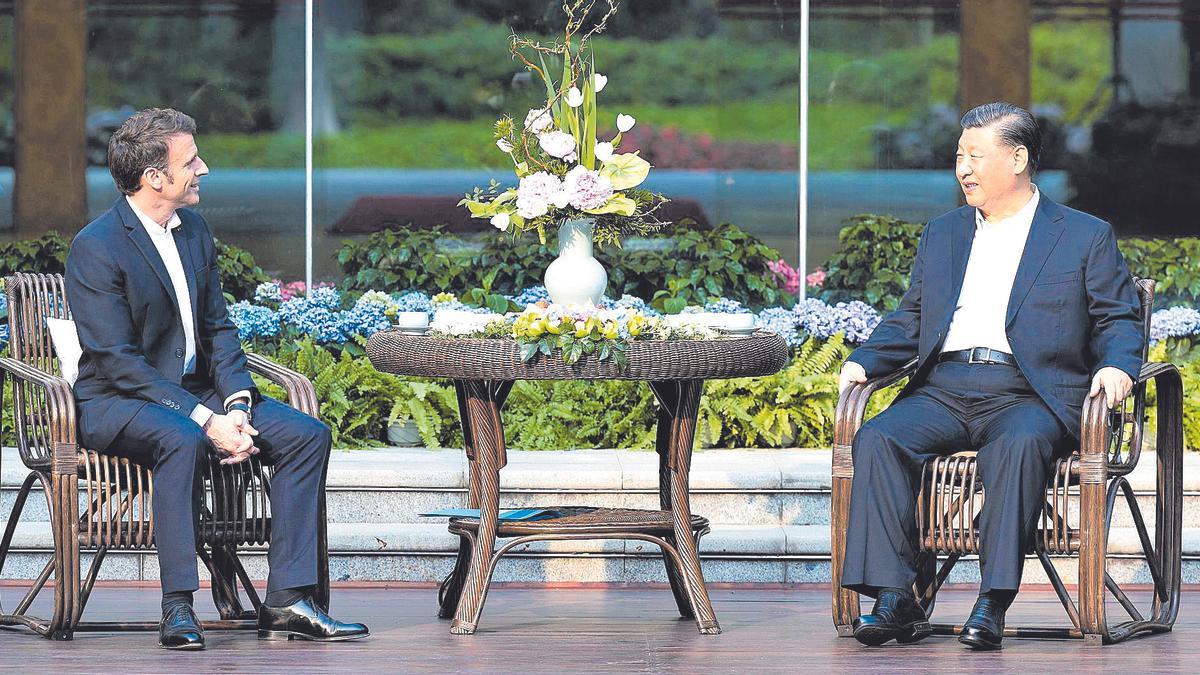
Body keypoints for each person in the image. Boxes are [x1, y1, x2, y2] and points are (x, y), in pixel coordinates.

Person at [837, 102, 1143, 650]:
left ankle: (992, 599)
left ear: (1018, 158)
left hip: (1030, 393)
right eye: (959, 156)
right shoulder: (943, 233)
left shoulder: (1082, 235)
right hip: (946, 388)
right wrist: (866, 360)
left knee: (1020, 444)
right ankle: (894, 594)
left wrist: (1119, 366)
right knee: (878, 437)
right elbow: (911, 316)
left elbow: (1117, 317)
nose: (963, 168)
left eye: (975, 156)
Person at [65, 108, 368, 650]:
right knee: (180, 437)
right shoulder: (97, 245)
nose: (203, 167)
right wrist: (205, 420)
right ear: (155, 177)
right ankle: (178, 606)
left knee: (307, 435)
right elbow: (116, 361)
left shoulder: (194, 230)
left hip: (195, 392)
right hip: (117, 401)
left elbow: (218, 328)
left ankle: (290, 601)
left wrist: (236, 408)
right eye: (191, 160)